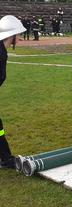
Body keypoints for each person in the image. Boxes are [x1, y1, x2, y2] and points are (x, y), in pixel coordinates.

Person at [0, 15, 26, 168]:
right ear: (11, 35)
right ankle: (6, 158)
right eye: (18, 34)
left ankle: (5, 158)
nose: (20, 37)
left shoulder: (2, 51)